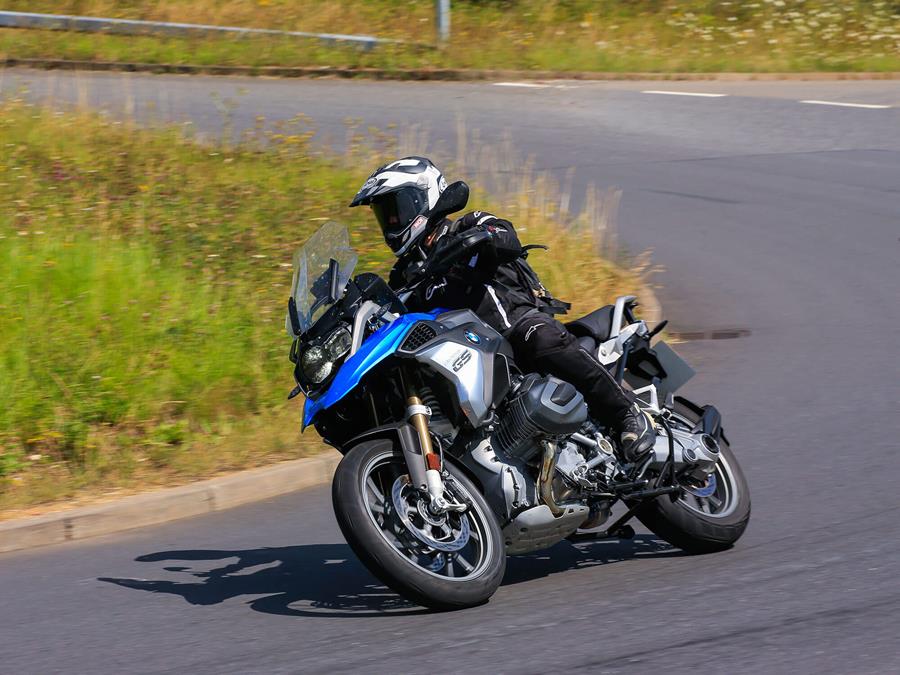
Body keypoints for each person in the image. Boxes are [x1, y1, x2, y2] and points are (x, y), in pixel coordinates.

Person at [349, 156, 654, 459]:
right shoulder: (404, 275)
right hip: (468, 353)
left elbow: (506, 235)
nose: (390, 223)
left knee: (541, 339)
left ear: (423, 198)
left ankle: (628, 415)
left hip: (515, 326)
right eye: (383, 215)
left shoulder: (467, 225)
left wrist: (481, 239)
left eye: (394, 210)